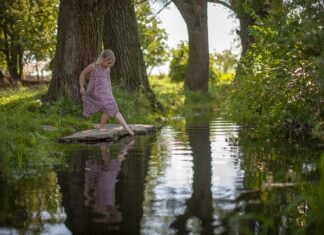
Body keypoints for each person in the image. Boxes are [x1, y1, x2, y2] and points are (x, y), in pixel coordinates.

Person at [79, 49, 134, 136]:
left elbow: (108, 81)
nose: (109, 65)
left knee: (111, 109)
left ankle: (105, 126)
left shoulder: (107, 69)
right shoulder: (93, 67)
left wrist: (110, 92)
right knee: (110, 109)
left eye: (111, 64)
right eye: (108, 63)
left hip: (106, 93)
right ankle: (125, 127)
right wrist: (82, 87)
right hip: (96, 92)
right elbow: (82, 74)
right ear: (103, 58)